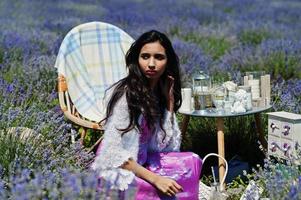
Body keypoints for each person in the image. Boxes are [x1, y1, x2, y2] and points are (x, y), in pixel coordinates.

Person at [91, 30, 201, 200]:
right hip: (118, 167)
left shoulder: (158, 92)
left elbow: (168, 148)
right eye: (145, 56)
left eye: (158, 57)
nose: (151, 64)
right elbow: (112, 153)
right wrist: (156, 179)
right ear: (136, 59)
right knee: (157, 188)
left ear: (168, 61)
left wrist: (169, 103)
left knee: (191, 161)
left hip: (144, 161)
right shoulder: (126, 96)